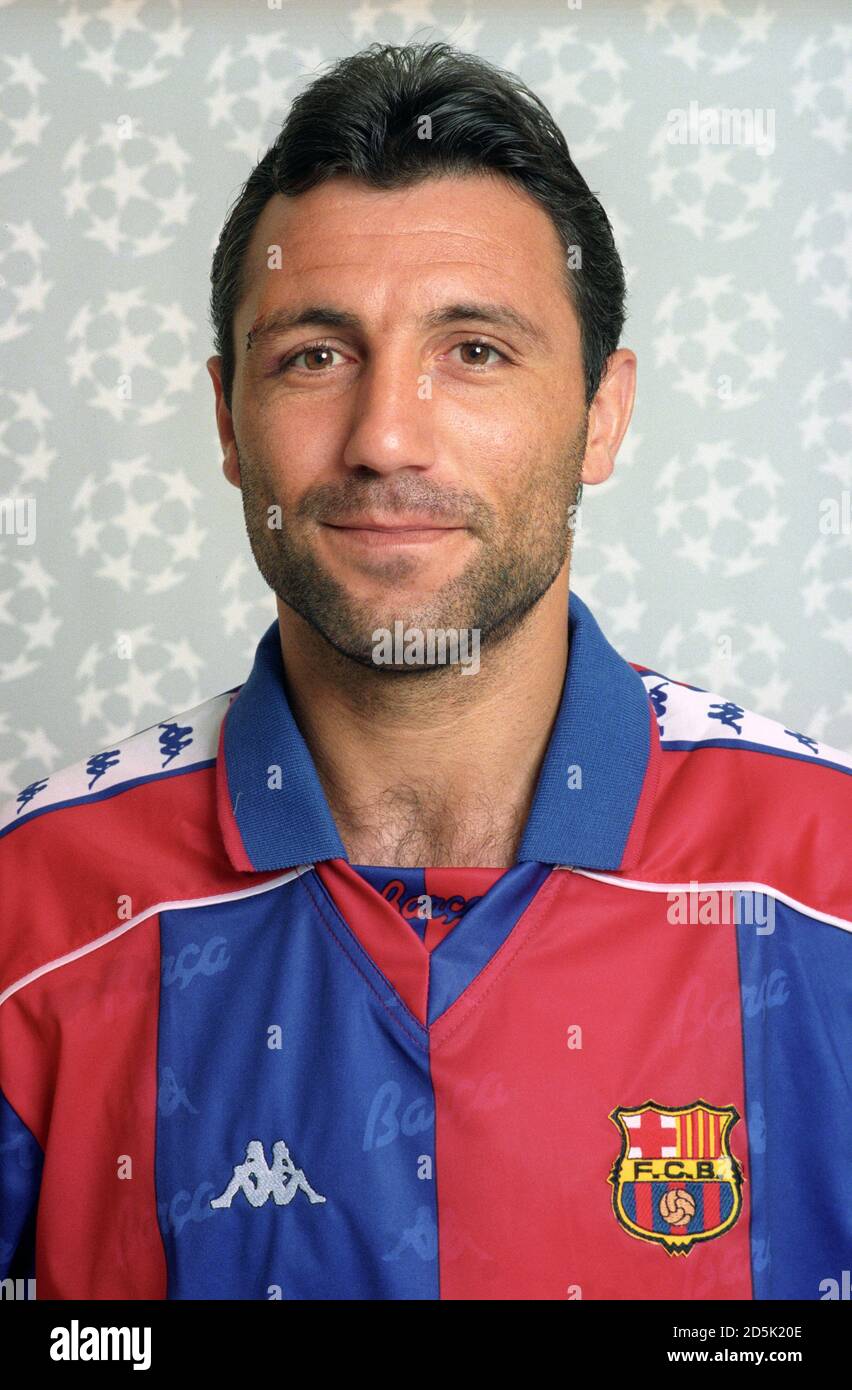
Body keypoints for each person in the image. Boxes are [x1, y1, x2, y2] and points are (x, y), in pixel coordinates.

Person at [1, 41, 849, 1302]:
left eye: (476, 351)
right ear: (229, 422)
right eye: (315, 355)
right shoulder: (34, 918)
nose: (387, 433)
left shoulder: (827, 879)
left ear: (600, 416)